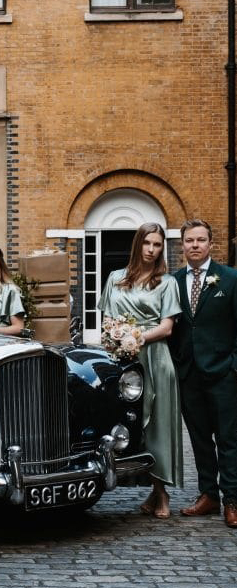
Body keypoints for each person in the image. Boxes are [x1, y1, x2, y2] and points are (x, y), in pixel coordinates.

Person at [97, 222, 182, 518]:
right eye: (147, 243)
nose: (152, 250)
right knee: (127, 424)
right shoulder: (115, 278)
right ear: (138, 244)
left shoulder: (167, 282)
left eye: (157, 245)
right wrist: (117, 337)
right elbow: (107, 319)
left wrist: (138, 337)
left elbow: (168, 327)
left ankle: (162, 494)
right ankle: (134, 486)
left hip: (156, 358)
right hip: (123, 360)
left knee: (157, 427)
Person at [170, 219, 237, 528]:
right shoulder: (173, 281)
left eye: (200, 240)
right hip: (189, 374)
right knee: (199, 439)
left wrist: (233, 365)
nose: (194, 245)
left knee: (228, 438)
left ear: (211, 244)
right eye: (189, 241)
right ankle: (208, 495)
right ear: (182, 245)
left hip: (223, 372)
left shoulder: (230, 279)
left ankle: (232, 500)